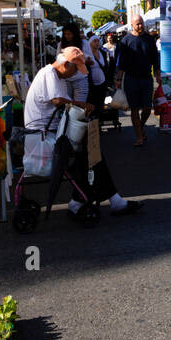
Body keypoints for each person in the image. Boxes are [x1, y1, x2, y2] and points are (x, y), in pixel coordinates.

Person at [24, 47, 137, 218]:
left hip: (52, 131)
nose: (75, 73)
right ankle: (105, 200)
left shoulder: (57, 77)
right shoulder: (49, 74)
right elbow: (58, 101)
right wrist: (83, 105)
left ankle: (90, 200)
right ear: (66, 64)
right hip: (44, 135)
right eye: (75, 69)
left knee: (92, 153)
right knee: (90, 156)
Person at [116, 15, 159, 147]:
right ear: (132, 25)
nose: (140, 26)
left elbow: (154, 58)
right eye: (137, 24)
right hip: (131, 79)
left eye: (141, 23)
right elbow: (121, 63)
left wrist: (157, 73)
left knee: (147, 108)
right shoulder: (125, 41)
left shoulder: (149, 39)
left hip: (146, 78)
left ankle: (140, 127)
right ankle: (139, 136)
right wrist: (118, 79)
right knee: (134, 108)